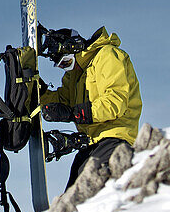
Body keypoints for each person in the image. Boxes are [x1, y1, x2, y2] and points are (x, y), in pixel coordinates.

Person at [39, 25, 142, 189]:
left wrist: (74, 114)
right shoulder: (74, 75)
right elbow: (62, 100)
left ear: (74, 47)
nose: (67, 68)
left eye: (66, 62)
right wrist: (37, 91)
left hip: (114, 138)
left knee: (87, 194)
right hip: (90, 143)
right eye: (62, 66)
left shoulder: (108, 56)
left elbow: (115, 102)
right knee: (72, 198)